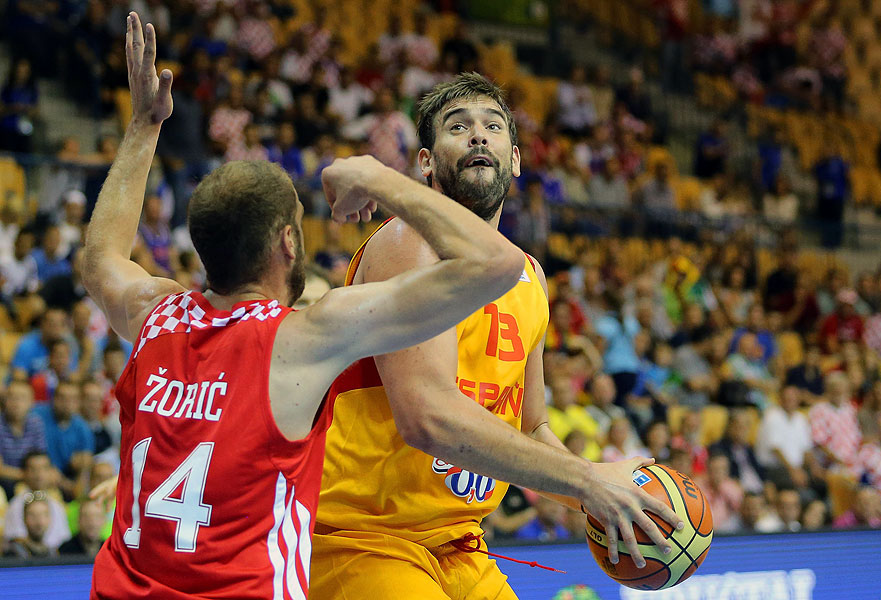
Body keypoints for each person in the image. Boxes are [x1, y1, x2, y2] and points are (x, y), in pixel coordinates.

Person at [85, 13, 525, 599]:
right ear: (289, 244)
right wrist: (379, 178)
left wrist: (143, 126)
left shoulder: (153, 316)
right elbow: (497, 263)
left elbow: (101, 258)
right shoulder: (301, 339)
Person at [312, 73, 681, 600]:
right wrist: (586, 482)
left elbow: (532, 427)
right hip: (362, 538)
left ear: (515, 159)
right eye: (457, 127)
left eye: (492, 126)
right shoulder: (408, 243)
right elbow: (428, 418)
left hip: (460, 544)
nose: (478, 135)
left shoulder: (530, 276)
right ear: (425, 162)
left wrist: (604, 493)